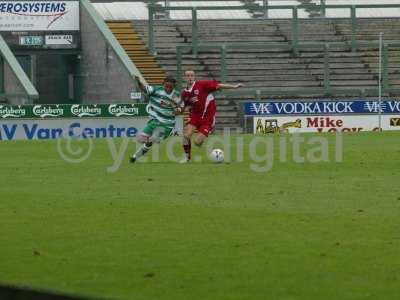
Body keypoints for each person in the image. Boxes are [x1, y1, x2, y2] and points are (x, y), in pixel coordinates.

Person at [180, 69, 243, 162]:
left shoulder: (202, 85)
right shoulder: (184, 93)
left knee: (197, 143)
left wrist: (234, 86)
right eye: (187, 75)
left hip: (207, 118)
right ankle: (187, 158)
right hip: (195, 116)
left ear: (194, 77)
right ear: (184, 78)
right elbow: (184, 106)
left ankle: (204, 135)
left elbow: (219, 85)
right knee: (186, 136)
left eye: (191, 75)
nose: (190, 77)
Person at [129, 75, 183, 163]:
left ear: (174, 87)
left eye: (171, 87)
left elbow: (181, 108)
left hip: (167, 124)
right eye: (166, 86)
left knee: (151, 140)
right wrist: (139, 82)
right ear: (163, 84)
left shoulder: (175, 95)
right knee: (141, 139)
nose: (168, 89)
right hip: (154, 121)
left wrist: (177, 110)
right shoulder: (156, 90)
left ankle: (170, 132)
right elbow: (143, 88)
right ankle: (135, 157)